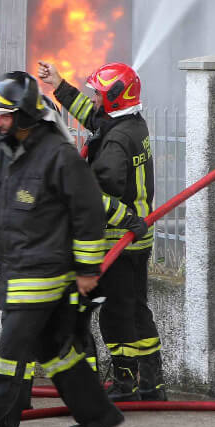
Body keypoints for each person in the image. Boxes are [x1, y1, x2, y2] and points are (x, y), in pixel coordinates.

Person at [0, 71, 135, 427]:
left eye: (4, 115)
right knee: (56, 352)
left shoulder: (59, 157)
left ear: (23, 114)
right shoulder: (3, 154)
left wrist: (87, 271)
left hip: (44, 274)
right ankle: (96, 415)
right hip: (13, 271)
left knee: (11, 352)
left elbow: (88, 213)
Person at [39, 60, 164, 401]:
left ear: (114, 97)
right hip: (136, 238)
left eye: (98, 94)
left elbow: (98, 196)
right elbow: (93, 116)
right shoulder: (130, 125)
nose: (93, 98)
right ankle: (152, 383)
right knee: (136, 309)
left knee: (117, 316)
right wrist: (59, 85)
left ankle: (127, 383)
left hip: (121, 239)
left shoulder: (116, 141)